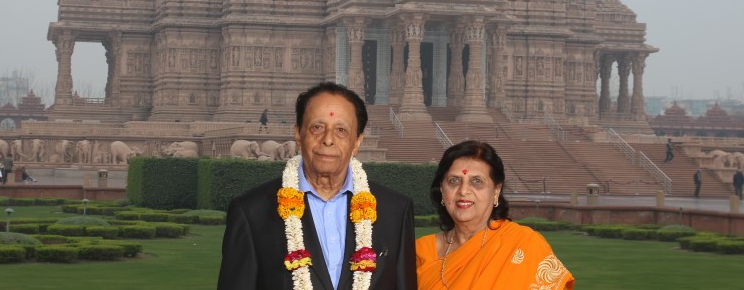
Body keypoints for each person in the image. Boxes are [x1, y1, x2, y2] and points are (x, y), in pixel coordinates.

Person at [218, 82, 417, 290]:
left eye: (341, 130)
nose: (328, 139)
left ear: (357, 142)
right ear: (298, 133)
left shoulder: (395, 211)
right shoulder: (252, 213)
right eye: (317, 127)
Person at [416, 140, 574, 290]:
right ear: (442, 190)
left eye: (476, 181)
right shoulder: (420, 252)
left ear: (496, 191)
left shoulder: (524, 244)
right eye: (454, 181)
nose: (463, 191)